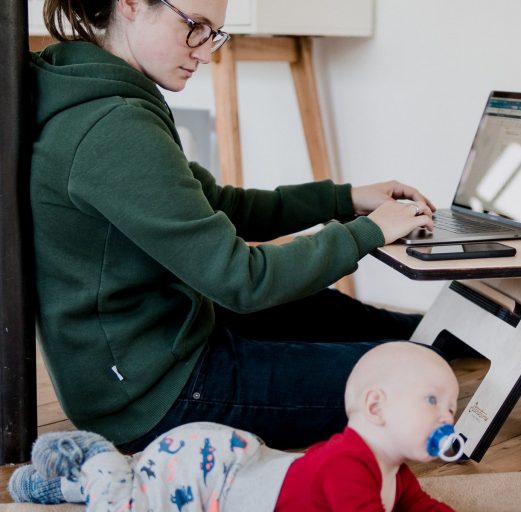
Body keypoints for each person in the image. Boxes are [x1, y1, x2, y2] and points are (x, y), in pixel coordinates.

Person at [30, 0, 436, 456]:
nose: (206, 53)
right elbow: (241, 279)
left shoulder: (97, 89)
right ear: (129, 3)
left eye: (214, 33)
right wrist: (370, 232)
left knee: (335, 313)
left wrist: (344, 199)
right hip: (154, 395)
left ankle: (437, 335)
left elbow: (220, 205)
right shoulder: (112, 125)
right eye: (194, 27)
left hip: (166, 341)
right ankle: (433, 350)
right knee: (408, 381)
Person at [10, 342, 459, 511]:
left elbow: (423, 508)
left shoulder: (394, 473)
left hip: (238, 459)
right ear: (376, 406)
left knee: (142, 481)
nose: (447, 416)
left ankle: (58, 487)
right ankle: (93, 457)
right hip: (207, 478)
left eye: (453, 408)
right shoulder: (347, 466)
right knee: (126, 503)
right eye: (433, 401)